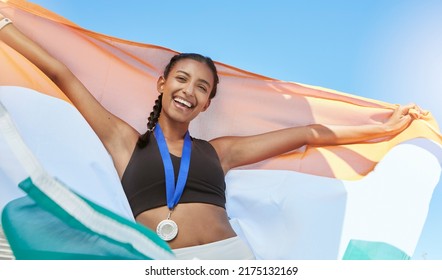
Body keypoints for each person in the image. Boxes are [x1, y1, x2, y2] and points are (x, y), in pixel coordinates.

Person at [0, 15, 424, 260]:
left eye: (202, 88)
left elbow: (309, 133)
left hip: (231, 259)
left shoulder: (220, 152)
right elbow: (63, 76)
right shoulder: (124, 140)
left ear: (206, 104)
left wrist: (385, 128)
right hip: (155, 260)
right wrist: (4, 28)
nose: (190, 90)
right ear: (162, 84)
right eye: (182, 79)